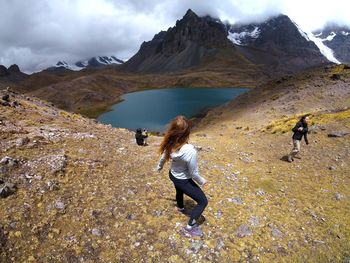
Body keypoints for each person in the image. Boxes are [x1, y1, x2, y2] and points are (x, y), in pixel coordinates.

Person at [157, 116, 208, 237]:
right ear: (187, 132)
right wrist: (202, 181)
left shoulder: (170, 142)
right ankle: (190, 227)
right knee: (203, 201)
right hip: (182, 179)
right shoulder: (190, 151)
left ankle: (180, 207)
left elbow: (163, 157)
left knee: (179, 190)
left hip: (172, 174)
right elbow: (193, 173)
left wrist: (159, 167)